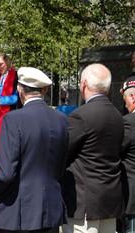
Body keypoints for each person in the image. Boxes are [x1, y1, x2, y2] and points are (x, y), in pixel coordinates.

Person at [0, 67, 69, 233]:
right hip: (50, 210)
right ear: (44, 90)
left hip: (19, 212)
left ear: (19, 89)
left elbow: (6, 172)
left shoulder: (13, 119)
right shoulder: (61, 120)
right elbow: (61, 166)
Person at [61, 63, 124, 233]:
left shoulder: (81, 115)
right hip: (109, 201)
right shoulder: (118, 115)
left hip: (84, 203)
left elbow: (63, 152)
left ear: (84, 84)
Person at [118, 75, 135, 233]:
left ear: (133, 97)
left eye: (125, 100)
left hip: (132, 199)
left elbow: (116, 153)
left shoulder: (128, 122)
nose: (125, 104)